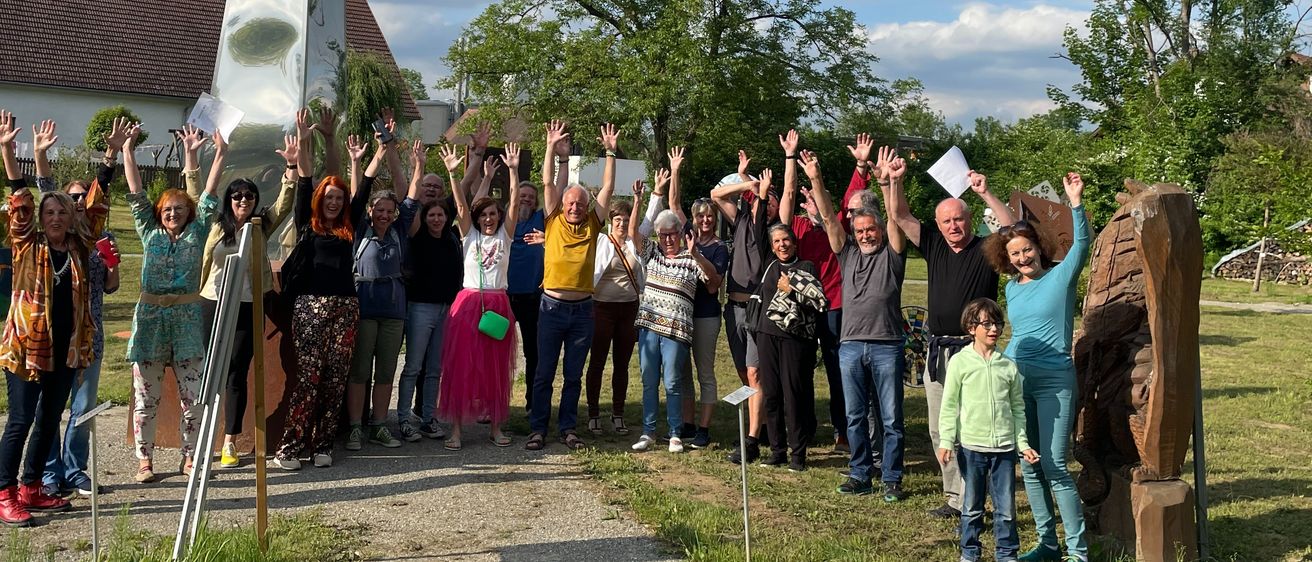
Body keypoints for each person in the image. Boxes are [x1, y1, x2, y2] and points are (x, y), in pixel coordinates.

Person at [886, 151, 1016, 519]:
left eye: (959, 218)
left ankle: (977, 498)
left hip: (974, 351)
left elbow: (1012, 229)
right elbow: (900, 216)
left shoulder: (987, 249)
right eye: (946, 221)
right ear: (939, 225)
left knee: (974, 429)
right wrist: (896, 180)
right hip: (937, 351)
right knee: (941, 428)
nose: (953, 226)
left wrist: (986, 193)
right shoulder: (933, 245)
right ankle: (956, 497)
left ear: (969, 219)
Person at [985, 172, 1091, 562]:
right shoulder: (1011, 288)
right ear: (1006, 258)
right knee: (1029, 465)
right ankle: (1048, 545)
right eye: (1014, 253)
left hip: (1055, 382)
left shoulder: (1062, 276)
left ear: (1038, 248)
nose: (1022, 258)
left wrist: (1075, 203)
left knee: (1055, 464)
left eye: (1027, 249)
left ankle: (1078, 552)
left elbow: (1082, 244)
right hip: (1019, 381)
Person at [0, 110, 99, 525]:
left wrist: (111, 159)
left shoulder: (78, 249)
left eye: (62, 212)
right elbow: (19, 200)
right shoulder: (27, 244)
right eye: (49, 213)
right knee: (21, 419)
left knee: (48, 419)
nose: (56, 217)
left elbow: (96, 212)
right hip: (25, 348)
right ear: (40, 220)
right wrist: (10, 151)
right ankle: (4, 492)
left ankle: (31, 487)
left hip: (65, 350)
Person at [797, 149, 910, 500]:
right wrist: (815, 178)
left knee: (890, 417)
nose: (865, 235)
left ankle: (891, 477)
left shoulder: (893, 254)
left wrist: (888, 183)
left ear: (880, 230)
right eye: (860, 231)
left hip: (887, 345)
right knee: (855, 415)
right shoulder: (846, 253)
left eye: (870, 229)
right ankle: (860, 473)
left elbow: (895, 218)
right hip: (850, 346)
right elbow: (828, 218)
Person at [124, 122, 222, 483]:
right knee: (145, 399)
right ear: (159, 211)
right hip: (150, 323)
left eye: (180, 208)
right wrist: (127, 150)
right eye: (167, 208)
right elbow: (135, 192)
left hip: (187, 323)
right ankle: (145, 461)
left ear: (188, 213)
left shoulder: (198, 231)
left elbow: (209, 193)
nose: (173, 213)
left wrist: (215, 153)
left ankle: (191, 457)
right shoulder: (148, 231)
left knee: (192, 397)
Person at [28, 119, 122, 498]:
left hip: (89, 337)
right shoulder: (54, 237)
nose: (80, 202)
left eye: (84, 197)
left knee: (83, 409)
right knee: (48, 409)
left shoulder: (97, 238)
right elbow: (46, 194)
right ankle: (50, 472)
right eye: (73, 198)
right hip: (52, 338)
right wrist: (40, 154)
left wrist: (112, 154)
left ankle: (74, 469)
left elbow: (112, 287)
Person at [197, 125, 299, 469]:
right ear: (230, 201)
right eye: (238, 196)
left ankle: (230, 441)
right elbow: (198, 194)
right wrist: (208, 155)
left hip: (247, 306)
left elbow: (285, 202)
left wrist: (291, 166)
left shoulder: (260, 225)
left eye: (250, 196)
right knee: (208, 369)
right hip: (213, 302)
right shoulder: (215, 225)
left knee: (236, 373)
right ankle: (199, 438)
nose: (244, 201)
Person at [273, 108, 358, 470]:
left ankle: (323, 445)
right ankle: (290, 447)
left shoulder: (350, 227)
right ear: (320, 200)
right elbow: (307, 179)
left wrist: (331, 138)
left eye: (339, 197)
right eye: (329, 197)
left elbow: (343, 177)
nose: (334, 202)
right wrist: (306, 142)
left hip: (346, 308)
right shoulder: (307, 224)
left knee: (335, 380)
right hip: (310, 307)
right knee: (309, 378)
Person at [525, 121, 617, 451]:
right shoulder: (552, 220)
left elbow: (607, 188)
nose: (575, 207)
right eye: (571, 203)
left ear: (586, 206)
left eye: (580, 203)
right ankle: (538, 429)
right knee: (544, 373)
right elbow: (548, 182)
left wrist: (610, 152)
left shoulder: (593, 222)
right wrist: (550, 147)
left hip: (582, 311)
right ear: (562, 205)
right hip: (551, 308)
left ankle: (568, 428)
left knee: (573, 375)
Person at [436, 140, 524, 450]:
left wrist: (513, 171)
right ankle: (456, 431)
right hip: (469, 302)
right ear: (477, 218)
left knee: (495, 369)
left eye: (493, 214)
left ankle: (496, 428)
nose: (489, 218)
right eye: (484, 214)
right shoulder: (469, 235)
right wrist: (452, 173)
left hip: (498, 303)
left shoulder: (505, 237)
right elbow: (461, 206)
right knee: (462, 367)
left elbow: (515, 203)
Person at [937, 298, 1040, 562]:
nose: (994, 329)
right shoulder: (960, 362)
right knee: (972, 506)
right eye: (987, 324)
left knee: (1006, 509)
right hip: (972, 448)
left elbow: (1018, 408)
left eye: (998, 324)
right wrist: (946, 440)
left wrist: (1023, 444)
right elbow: (949, 405)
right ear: (972, 328)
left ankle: (1006, 554)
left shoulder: (1008, 366)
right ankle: (970, 552)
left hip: (1004, 450)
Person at [343, 120, 421, 451]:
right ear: (370, 211)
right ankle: (355, 427)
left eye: (389, 210)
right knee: (360, 371)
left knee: (386, 371)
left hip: (393, 311)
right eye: (379, 210)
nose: (384, 215)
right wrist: (359, 161)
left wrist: (418, 165)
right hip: (364, 307)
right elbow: (356, 196)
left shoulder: (400, 232)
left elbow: (412, 196)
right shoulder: (360, 229)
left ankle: (378, 425)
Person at [629, 177, 719, 453]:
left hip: (677, 331)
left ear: (681, 233)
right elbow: (634, 234)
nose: (668, 239)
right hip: (649, 328)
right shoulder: (652, 253)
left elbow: (714, 284)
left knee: (672, 382)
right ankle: (648, 431)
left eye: (672, 234)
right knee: (649, 381)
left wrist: (697, 255)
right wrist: (638, 201)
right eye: (663, 235)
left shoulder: (692, 258)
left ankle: (675, 433)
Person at [778, 129, 849, 452]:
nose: (810, 205)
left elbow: (851, 192)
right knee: (801, 369)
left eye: (816, 201)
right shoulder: (798, 227)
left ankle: (842, 430)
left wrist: (818, 182)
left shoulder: (839, 226)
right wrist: (789, 157)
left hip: (834, 306)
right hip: (803, 307)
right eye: (807, 201)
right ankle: (805, 429)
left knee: (836, 370)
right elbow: (788, 195)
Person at [754, 169, 826, 473]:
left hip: (795, 340)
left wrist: (793, 287)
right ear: (772, 246)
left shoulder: (806, 266)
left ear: (794, 243)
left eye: (786, 240)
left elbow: (817, 301)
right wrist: (762, 196)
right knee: (771, 393)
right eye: (777, 241)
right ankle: (777, 450)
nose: (782, 245)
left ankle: (798, 454)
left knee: (793, 395)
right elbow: (759, 228)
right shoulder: (769, 264)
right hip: (767, 334)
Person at [711, 151, 778, 464]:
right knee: (744, 371)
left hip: (756, 309)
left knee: (754, 371)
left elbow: (778, 203)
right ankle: (761, 424)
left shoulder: (772, 233)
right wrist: (745, 181)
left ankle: (750, 442)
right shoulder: (738, 221)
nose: (764, 204)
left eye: (769, 200)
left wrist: (760, 192)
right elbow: (716, 194)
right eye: (761, 199)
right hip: (733, 308)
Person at [585, 164, 661, 436]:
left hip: (628, 309)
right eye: (616, 219)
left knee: (622, 364)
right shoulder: (601, 241)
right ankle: (593, 413)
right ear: (610, 221)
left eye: (625, 219)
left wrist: (653, 194)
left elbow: (649, 219)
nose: (620, 224)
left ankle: (617, 413)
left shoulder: (633, 242)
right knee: (597, 362)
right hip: (601, 308)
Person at [395, 139, 462, 442]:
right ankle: (403, 418)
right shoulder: (417, 232)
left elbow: (462, 197)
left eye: (440, 215)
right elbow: (406, 194)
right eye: (432, 215)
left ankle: (427, 417)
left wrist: (463, 168)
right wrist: (417, 167)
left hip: (445, 308)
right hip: (420, 307)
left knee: (434, 368)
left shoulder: (451, 238)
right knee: (413, 367)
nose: (436, 218)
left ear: (447, 218)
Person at [667, 147, 727, 449]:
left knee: (705, 372)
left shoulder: (719, 247)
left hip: (705, 316)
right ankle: (688, 423)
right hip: (683, 313)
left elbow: (714, 285)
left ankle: (704, 428)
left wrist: (696, 255)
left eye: (709, 216)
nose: (705, 220)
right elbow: (673, 203)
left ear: (715, 219)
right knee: (682, 372)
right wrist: (675, 170)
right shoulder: (689, 233)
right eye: (700, 216)